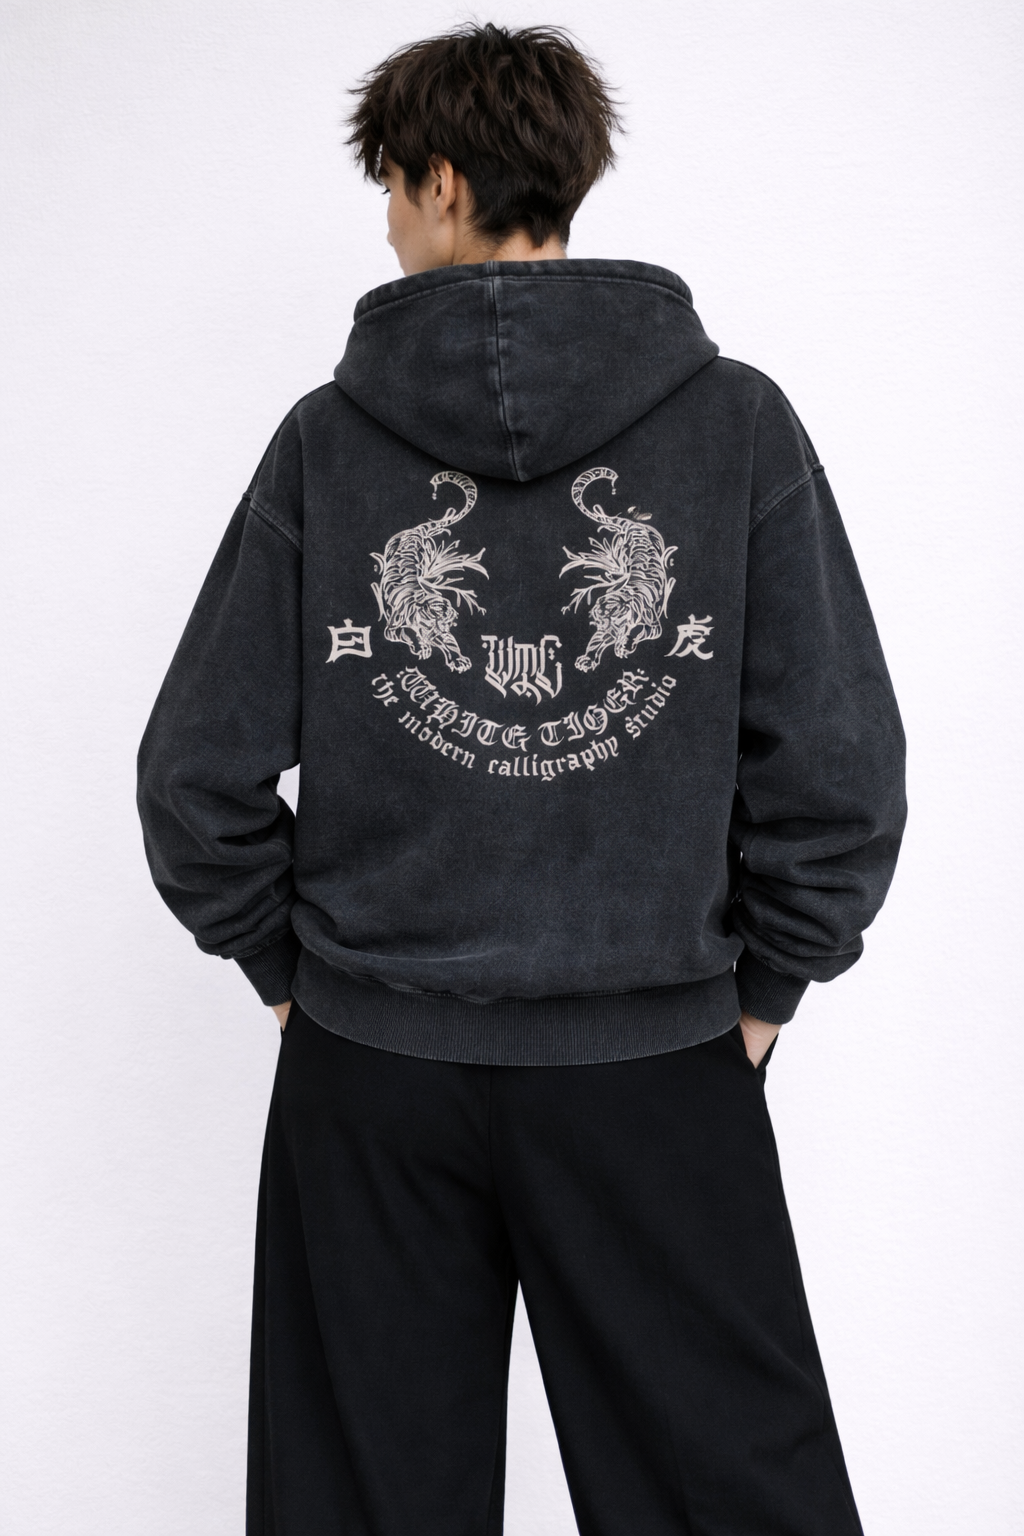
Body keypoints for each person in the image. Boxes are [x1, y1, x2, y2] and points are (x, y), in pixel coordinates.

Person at [137, 23, 906, 1535]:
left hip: (373, 1077)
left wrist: (299, 978)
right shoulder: (737, 424)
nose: (386, 225)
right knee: (730, 1497)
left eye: (390, 188)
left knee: (364, 1504)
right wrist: (764, 991)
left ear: (441, 179)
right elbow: (840, 767)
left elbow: (193, 772)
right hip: (655, 1072)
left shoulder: (326, 443)